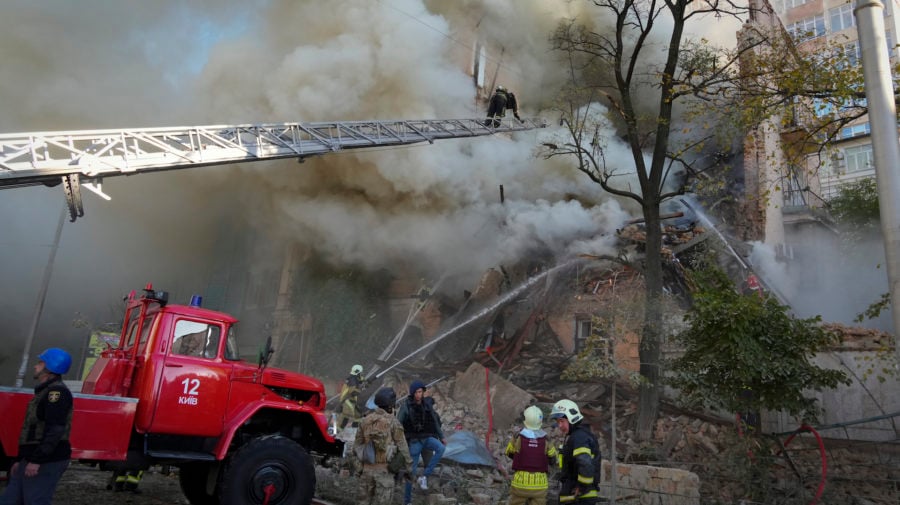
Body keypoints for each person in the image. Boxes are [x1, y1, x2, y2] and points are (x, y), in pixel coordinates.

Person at [0, 348, 74, 505]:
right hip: (31, 458)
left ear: (50, 368)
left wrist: (37, 461)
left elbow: (55, 430)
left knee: (36, 500)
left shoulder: (57, 393)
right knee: (9, 500)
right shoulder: (44, 392)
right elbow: (31, 430)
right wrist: (20, 459)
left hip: (46, 460)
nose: (35, 366)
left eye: (40, 363)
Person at [354, 387, 412, 505]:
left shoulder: (365, 421)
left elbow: (356, 447)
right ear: (391, 405)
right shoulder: (393, 423)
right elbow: (403, 448)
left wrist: (359, 469)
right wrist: (409, 469)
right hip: (384, 472)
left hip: (366, 471)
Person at [397, 379, 445, 505]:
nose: (419, 394)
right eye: (417, 392)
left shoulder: (426, 405)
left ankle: (424, 476)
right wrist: (400, 441)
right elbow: (398, 424)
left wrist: (442, 436)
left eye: (421, 392)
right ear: (413, 393)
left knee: (441, 448)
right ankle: (407, 501)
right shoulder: (406, 406)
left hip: (427, 438)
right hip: (414, 441)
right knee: (411, 472)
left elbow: (435, 422)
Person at [549, 399, 602, 504]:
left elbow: (585, 463)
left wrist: (581, 487)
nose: (559, 426)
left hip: (579, 498)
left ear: (572, 418)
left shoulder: (579, 437)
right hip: (576, 496)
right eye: (558, 422)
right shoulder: (577, 436)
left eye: (562, 421)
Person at [505, 406, 558, 505]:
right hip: (540, 485)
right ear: (541, 421)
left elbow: (509, 452)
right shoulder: (546, 439)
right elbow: (553, 458)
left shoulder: (518, 436)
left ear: (525, 420)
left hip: (520, 483)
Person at [339, 364, 367, 429]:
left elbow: (360, 380)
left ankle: (353, 430)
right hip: (348, 400)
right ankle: (339, 431)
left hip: (349, 400)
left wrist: (365, 381)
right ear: (358, 372)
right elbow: (353, 392)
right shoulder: (353, 380)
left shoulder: (353, 378)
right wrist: (362, 388)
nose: (361, 374)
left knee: (358, 415)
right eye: (361, 373)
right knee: (347, 416)